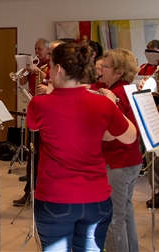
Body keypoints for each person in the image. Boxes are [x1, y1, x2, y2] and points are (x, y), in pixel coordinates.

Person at [28, 42, 137, 251]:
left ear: (58, 69)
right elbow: (129, 137)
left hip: (55, 197)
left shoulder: (40, 104)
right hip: (96, 198)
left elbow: (33, 125)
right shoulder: (103, 103)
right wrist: (112, 105)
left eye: (50, 66)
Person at [98, 48, 141, 252]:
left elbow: (109, 134)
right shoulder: (129, 89)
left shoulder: (115, 95)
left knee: (113, 219)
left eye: (105, 67)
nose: (101, 70)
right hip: (131, 160)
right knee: (126, 213)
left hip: (118, 162)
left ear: (119, 72)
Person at [13, 40, 64, 206]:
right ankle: (30, 191)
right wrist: (27, 73)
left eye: (41, 49)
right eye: (39, 49)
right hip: (37, 113)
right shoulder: (41, 66)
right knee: (32, 154)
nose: (40, 53)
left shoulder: (55, 69)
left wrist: (46, 83)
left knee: (46, 157)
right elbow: (21, 83)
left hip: (52, 119)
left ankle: (43, 193)